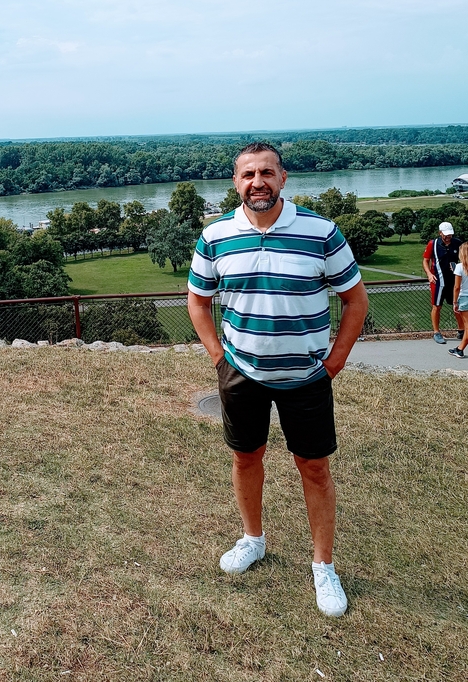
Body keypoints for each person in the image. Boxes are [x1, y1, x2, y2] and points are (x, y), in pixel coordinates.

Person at [187, 142, 368, 618]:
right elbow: (198, 301)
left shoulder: (321, 232)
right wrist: (218, 358)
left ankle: (323, 566)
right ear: (235, 183)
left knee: (314, 468)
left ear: (283, 178)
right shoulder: (216, 236)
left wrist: (335, 361)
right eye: (248, 174)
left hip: (307, 376)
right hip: (242, 373)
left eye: (267, 172)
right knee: (246, 457)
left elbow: (356, 300)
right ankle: (253, 539)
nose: (257, 182)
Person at [422, 221, 463, 344]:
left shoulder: (457, 243)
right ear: (440, 233)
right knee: (436, 306)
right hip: (438, 281)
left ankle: (462, 330)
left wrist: (459, 267)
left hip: (454, 280)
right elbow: (425, 260)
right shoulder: (433, 244)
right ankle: (436, 332)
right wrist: (429, 274)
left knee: (457, 306)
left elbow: (464, 258)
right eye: (445, 234)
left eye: (450, 234)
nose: (448, 237)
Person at [449, 242, 468, 359]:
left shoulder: (460, 267)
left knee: (467, 327)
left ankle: (460, 349)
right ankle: (459, 348)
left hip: (465, 298)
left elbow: (456, 287)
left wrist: (455, 302)